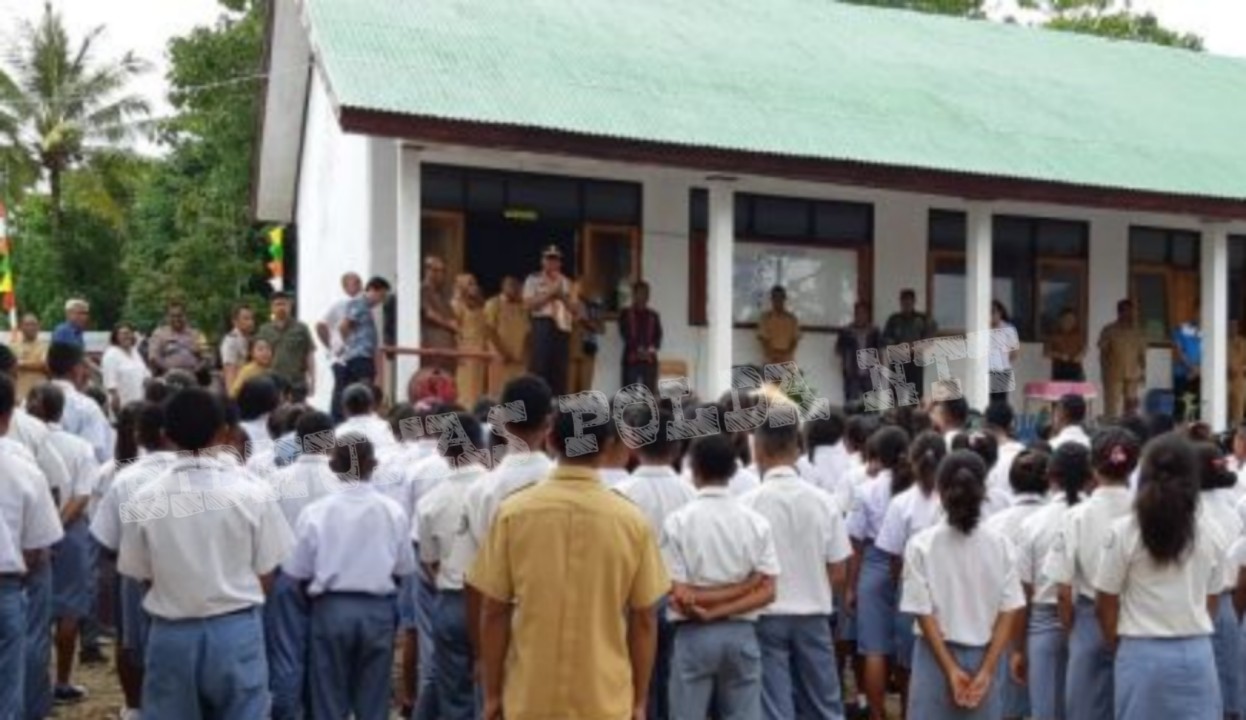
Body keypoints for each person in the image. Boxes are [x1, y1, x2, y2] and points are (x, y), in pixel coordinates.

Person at [469, 394, 669, 720]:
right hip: (604, 698)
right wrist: (638, 700)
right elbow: (645, 618)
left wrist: (492, 694)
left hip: (530, 695)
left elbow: (493, 609)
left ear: (550, 440)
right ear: (606, 447)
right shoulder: (631, 521)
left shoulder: (514, 513)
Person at [118, 388, 292, 717]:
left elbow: (142, 575)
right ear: (223, 433)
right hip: (236, 629)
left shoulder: (142, 500)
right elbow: (267, 574)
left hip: (171, 634)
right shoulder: (253, 493)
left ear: (166, 437)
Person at [284, 432, 416, 720]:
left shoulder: (315, 512)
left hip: (330, 610)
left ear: (332, 467)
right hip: (377, 610)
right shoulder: (393, 512)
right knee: (374, 697)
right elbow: (405, 568)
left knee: (328, 697)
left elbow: (297, 572)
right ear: (374, 464)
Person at [1093, 434, 1223, 720]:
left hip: (1140, 652)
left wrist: (1120, 645)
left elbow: (1105, 602)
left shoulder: (1123, 531)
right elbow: (1212, 601)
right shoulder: (1210, 532)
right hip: (1197, 653)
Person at [740, 414, 853, 720]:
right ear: (798, 449)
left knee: (775, 708)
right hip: (814, 615)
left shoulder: (747, 503)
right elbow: (839, 571)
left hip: (766, 616)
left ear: (758, 450)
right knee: (824, 705)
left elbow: (743, 570)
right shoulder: (824, 502)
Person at [900, 450, 1026, 719]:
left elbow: (923, 613)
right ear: (983, 490)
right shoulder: (1001, 545)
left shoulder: (921, 545)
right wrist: (988, 670)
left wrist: (950, 668)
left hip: (934, 656)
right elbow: (1009, 610)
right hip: (986, 654)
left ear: (939, 489)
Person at [663, 433, 780, 720]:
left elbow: (679, 595)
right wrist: (744, 587)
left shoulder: (678, 522)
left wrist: (706, 607)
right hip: (741, 633)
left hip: (693, 633)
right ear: (733, 470)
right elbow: (768, 591)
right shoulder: (755, 522)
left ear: (693, 468)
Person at [1043, 427, 1140, 720]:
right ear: (1133, 466)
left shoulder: (1077, 516)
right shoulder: (1145, 510)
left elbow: (1063, 588)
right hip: (1137, 616)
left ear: (1093, 468)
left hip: (1088, 617)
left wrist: (1071, 627)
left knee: (1085, 707)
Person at [90, 401, 177, 720]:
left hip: (134, 571)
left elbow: (105, 539)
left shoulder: (125, 479)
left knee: (131, 644)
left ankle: (136, 707)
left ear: (141, 436)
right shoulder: (192, 472)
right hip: (184, 573)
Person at [614, 405, 693, 719]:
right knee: (674, 689)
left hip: (631, 603)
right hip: (681, 600)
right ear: (677, 446)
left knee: (636, 692)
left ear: (632, 442)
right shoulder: (692, 494)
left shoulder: (619, 494)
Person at [26, 383, 100, 705]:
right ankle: (63, 681)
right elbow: (82, 495)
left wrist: (45, 528)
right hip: (70, 533)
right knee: (68, 610)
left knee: (31, 611)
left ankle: (34, 685)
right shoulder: (79, 446)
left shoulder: (21, 444)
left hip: (27, 534)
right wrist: (57, 527)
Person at [264, 410, 339, 720]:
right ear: (331, 440)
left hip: (285, 576)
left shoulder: (275, 481)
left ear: (298, 441)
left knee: (286, 655)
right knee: (325, 657)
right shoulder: (342, 482)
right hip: (331, 578)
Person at [0, 373, 64, 720]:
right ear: (10, 416)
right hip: (6, 587)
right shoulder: (23, 467)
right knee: (7, 693)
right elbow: (39, 546)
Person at [417, 412, 489, 720]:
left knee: (454, 697)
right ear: (479, 444)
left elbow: (429, 562)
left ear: (443, 450)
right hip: (493, 602)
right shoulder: (496, 490)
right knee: (494, 692)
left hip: (451, 599)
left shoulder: (431, 501)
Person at [872, 431, 949, 709]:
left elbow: (892, 556)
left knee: (908, 662)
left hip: (911, 591)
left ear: (912, 463)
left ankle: (909, 710)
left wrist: (901, 584)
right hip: (950, 589)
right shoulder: (956, 499)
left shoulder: (901, 503)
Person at [1015, 443, 1090, 720]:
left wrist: (1018, 648)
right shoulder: (1099, 517)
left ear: (1050, 476)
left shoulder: (1034, 524)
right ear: (1090, 475)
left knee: (1045, 710)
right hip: (1090, 616)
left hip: (1044, 621)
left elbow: (1023, 591)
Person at [847, 425, 912, 720]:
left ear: (877, 455)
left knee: (873, 648)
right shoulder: (915, 489)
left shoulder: (866, 490)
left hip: (873, 563)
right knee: (907, 652)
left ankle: (876, 714)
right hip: (909, 566)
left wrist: (850, 586)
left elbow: (855, 543)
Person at [983, 450, 1051, 720]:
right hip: (1049, 620)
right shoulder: (1059, 519)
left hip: (1003, 621)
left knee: (1005, 702)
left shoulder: (994, 524)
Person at [1191, 442, 1242, 720]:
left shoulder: (1189, 514)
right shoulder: (1233, 510)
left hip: (1194, 604)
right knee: (1227, 692)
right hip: (1225, 606)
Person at [46, 341, 112, 464]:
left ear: (48, 367)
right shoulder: (86, 407)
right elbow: (98, 454)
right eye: (84, 366)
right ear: (76, 369)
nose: (87, 373)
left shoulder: (27, 404)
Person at [523, 245, 574, 396]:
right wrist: (551, 293)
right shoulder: (533, 279)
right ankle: (538, 400)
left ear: (560, 263)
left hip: (562, 327)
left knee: (560, 370)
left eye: (555, 259)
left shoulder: (567, 282)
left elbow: (576, 309)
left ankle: (557, 406)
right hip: (542, 324)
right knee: (540, 366)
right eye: (549, 258)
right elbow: (528, 304)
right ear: (542, 261)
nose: (552, 263)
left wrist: (562, 296)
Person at [316, 272, 363, 421]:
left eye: (359, 282)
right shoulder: (340, 305)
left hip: (357, 356)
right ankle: (336, 422)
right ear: (345, 286)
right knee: (341, 389)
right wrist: (331, 347)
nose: (358, 286)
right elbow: (321, 325)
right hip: (341, 357)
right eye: (354, 283)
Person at [882, 289, 938, 403]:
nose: (906, 304)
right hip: (897, 360)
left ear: (913, 302)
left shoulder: (922, 319)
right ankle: (896, 418)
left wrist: (912, 347)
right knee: (895, 395)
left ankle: (915, 419)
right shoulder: (893, 319)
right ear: (900, 302)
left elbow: (929, 338)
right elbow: (886, 340)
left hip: (915, 361)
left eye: (909, 301)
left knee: (916, 394)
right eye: (904, 301)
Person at [338, 276, 390, 391]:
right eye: (381, 296)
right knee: (363, 391)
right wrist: (348, 344)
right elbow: (343, 326)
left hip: (363, 356)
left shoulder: (366, 308)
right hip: (360, 357)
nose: (381, 301)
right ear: (371, 289)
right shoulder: (359, 303)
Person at [257, 291, 316, 394]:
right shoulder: (264, 330)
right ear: (272, 308)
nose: (281, 308)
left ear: (290, 306)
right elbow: (258, 357)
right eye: (277, 304)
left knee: (297, 410)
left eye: (284, 304)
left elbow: (309, 355)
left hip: (296, 383)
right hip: (272, 383)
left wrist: (312, 380)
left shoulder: (301, 329)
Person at [1097, 300, 1146, 419]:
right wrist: (1104, 372)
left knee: (1131, 407)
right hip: (1113, 374)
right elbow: (1102, 350)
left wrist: (1143, 373)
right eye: (1125, 311)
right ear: (1119, 312)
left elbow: (1142, 354)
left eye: (1130, 311)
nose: (1128, 314)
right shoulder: (1109, 330)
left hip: (1133, 374)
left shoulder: (1138, 331)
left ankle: (1129, 431)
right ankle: (1110, 432)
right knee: (1112, 406)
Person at [483, 275, 530, 398]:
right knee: (499, 394)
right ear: (503, 287)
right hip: (501, 359)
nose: (515, 290)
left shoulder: (523, 306)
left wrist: (524, 353)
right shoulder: (493, 303)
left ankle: (516, 417)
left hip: (518, 360)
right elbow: (489, 330)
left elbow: (528, 332)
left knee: (518, 393)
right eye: (511, 286)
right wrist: (504, 352)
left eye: (517, 287)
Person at [452, 273, 489, 406]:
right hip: (465, 351)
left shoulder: (479, 304)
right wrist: (458, 352)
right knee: (464, 387)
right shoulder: (457, 304)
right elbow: (454, 330)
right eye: (470, 283)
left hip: (479, 351)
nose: (474, 287)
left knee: (477, 387)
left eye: (474, 283)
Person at [619, 280, 663, 391]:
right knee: (628, 397)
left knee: (650, 397)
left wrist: (649, 350)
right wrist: (639, 350)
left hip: (649, 361)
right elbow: (625, 335)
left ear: (648, 296)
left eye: (645, 293)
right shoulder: (625, 314)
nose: (642, 296)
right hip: (631, 359)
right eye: (639, 293)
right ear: (633, 295)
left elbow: (658, 337)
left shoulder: (654, 316)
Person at [836, 302, 882, 406]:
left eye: (863, 313)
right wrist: (845, 363)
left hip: (870, 373)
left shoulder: (874, 331)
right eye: (858, 313)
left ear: (867, 315)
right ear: (855, 314)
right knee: (852, 404)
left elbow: (879, 350)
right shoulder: (847, 331)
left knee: (871, 405)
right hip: (852, 373)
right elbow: (838, 350)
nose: (861, 316)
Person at [146, 300, 208, 377]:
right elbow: (153, 357)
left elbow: (206, 356)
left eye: (179, 315)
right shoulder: (159, 334)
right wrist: (170, 370)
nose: (176, 319)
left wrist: (196, 370)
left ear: (185, 316)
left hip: (193, 376)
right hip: (168, 377)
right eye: (172, 316)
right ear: (167, 317)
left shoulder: (197, 334)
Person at [101, 322, 151, 414]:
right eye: (123, 333)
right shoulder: (111, 354)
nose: (126, 336)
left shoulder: (135, 352)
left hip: (139, 400)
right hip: (122, 403)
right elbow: (109, 380)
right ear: (116, 336)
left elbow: (145, 372)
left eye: (129, 333)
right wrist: (114, 398)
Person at [335, 382, 398, 454]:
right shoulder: (383, 428)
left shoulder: (339, 432)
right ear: (371, 406)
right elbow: (393, 454)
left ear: (345, 409)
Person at [421, 257, 459, 374]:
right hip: (432, 347)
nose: (441, 274)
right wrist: (449, 324)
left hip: (447, 350)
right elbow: (429, 314)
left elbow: (453, 317)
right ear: (428, 271)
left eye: (443, 271)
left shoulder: (441, 294)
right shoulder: (422, 290)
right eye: (437, 270)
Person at [1172, 307, 1203, 423]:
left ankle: (1194, 438)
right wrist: (1192, 368)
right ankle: (1178, 437)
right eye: (1200, 311)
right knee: (1181, 409)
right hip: (1182, 374)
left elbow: (1211, 354)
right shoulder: (1181, 328)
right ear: (1195, 311)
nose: (1202, 315)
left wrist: (1198, 371)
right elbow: (1179, 351)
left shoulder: (1210, 330)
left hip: (1200, 376)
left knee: (1197, 410)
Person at [757, 286, 801, 367]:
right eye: (775, 298)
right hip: (771, 359)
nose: (778, 301)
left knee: (788, 379)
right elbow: (764, 340)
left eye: (780, 298)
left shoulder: (792, 319)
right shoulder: (765, 318)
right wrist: (773, 356)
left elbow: (795, 340)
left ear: (784, 299)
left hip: (787, 360)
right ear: (772, 299)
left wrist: (786, 355)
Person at [989, 301, 1020, 405]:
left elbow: (1014, 352)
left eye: (994, 312)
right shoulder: (982, 327)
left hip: (1001, 370)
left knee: (1000, 400)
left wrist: (1004, 362)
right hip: (985, 370)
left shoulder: (1008, 329)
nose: (992, 315)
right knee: (986, 400)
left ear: (1000, 313)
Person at [219, 303, 255, 394]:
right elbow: (229, 371)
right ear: (235, 321)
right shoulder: (231, 341)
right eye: (246, 318)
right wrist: (232, 397)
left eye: (252, 318)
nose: (251, 322)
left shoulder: (249, 339)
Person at [13, 312, 49, 400]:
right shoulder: (13, 346)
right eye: (28, 324)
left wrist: (21, 364)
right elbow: (10, 367)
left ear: (38, 327)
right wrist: (34, 364)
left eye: (34, 324)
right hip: (19, 395)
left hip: (40, 396)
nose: (31, 327)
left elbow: (45, 365)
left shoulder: (46, 346)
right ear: (21, 327)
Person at [1045, 308, 1086, 382]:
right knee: (1061, 392)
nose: (1070, 322)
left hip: (1075, 367)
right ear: (1061, 320)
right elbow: (1046, 353)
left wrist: (1080, 355)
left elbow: (1083, 349)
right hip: (1060, 368)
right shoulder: (1054, 334)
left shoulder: (1078, 334)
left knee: (1076, 392)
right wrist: (1060, 355)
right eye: (1067, 319)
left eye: (1072, 320)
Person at [1231, 320, 1246, 425]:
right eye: (1230, 325)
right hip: (1224, 379)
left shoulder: (1243, 342)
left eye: (1234, 325)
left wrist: (1241, 369)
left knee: (1239, 409)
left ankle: (1237, 432)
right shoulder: (1221, 341)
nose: (1232, 328)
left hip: (1240, 379)